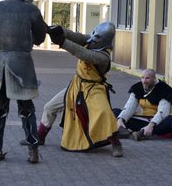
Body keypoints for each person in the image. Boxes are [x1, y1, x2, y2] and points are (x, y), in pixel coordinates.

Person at [25, 22, 123, 157]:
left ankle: (116, 143)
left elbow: (83, 53)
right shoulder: (91, 40)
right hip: (76, 85)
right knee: (50, 107)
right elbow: (78, 37)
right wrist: (59, 31)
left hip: (94, 88)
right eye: (94, 33)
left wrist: (62, 42)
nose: (93, 37)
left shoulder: (103, 57)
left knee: (104, 113)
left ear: (105, 40)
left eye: (97, 37)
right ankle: (39, 137)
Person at [0, 0, 47, 163]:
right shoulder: (31, 10)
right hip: (22, 65)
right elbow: (39, 38)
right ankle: (33, 151)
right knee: (27, 109)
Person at [113, 69, 172, 141]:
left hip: (160, 121)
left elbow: (163, 111)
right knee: (115, 112)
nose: (144, 81)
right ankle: (132, 132)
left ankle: (141, 132)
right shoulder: (137, 88)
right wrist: (120, 120)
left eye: (147, 78)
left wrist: (150, 125)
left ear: (154, 79)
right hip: (143, 119)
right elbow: (129, 106)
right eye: (142, 78)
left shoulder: (164, 89)